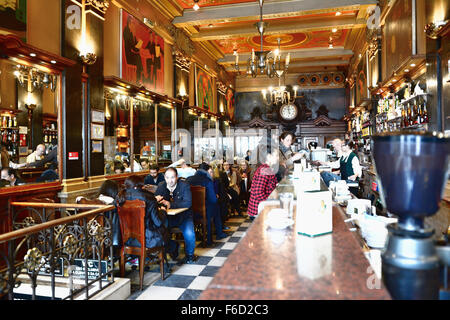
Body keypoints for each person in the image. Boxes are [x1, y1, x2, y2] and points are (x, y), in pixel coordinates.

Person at [117, 176, 171, 269]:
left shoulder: (120, 197)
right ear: (140, 185)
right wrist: (163, 211)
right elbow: (157, 222)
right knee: (165, 228)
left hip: (126, 240)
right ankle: (171, 250)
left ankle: (140, 259)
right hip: (147, 240)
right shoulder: (149, 197)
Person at [155, 168, 196, 264]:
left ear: (177, 177)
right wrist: (157, 201)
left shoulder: (184, 185)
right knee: (160, 232)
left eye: (173, 177)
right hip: (168, 217)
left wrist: (170, 204)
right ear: (164, 178)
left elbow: (188, 202)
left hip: (184, 216)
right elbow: (156, 201)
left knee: (189, 233)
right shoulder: (161, 186)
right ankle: (171, 249)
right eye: (168, 178)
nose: (170, 180)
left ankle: (190, 255)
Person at [186, 163, 229, 246]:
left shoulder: (188, 179)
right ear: (206, 171)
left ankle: (200, 234)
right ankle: (217, 234)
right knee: (216, 206)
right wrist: (216, 197)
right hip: (205, 212)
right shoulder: (207, 181)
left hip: (189, 211)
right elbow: (213, 199)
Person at [247, 149, 279, 221]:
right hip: (258, 210)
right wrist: (270, 204)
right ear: (268, 157)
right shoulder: (265, 170)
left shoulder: (267, 168)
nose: (278, 158)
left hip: (261, 208)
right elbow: (258, 193)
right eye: (276, 156)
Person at [123, 15, 143, 82]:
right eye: (132, 23)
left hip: (130, 53)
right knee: (138, 58)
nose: (133, 25)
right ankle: (138, 78)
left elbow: (134, 47)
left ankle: (139, 75)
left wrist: (137, 41)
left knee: (138, 57)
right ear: (129, 23)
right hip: (128, 54)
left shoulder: (130, 33)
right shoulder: (127, 31)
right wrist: (139, 44)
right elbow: (134, 48)